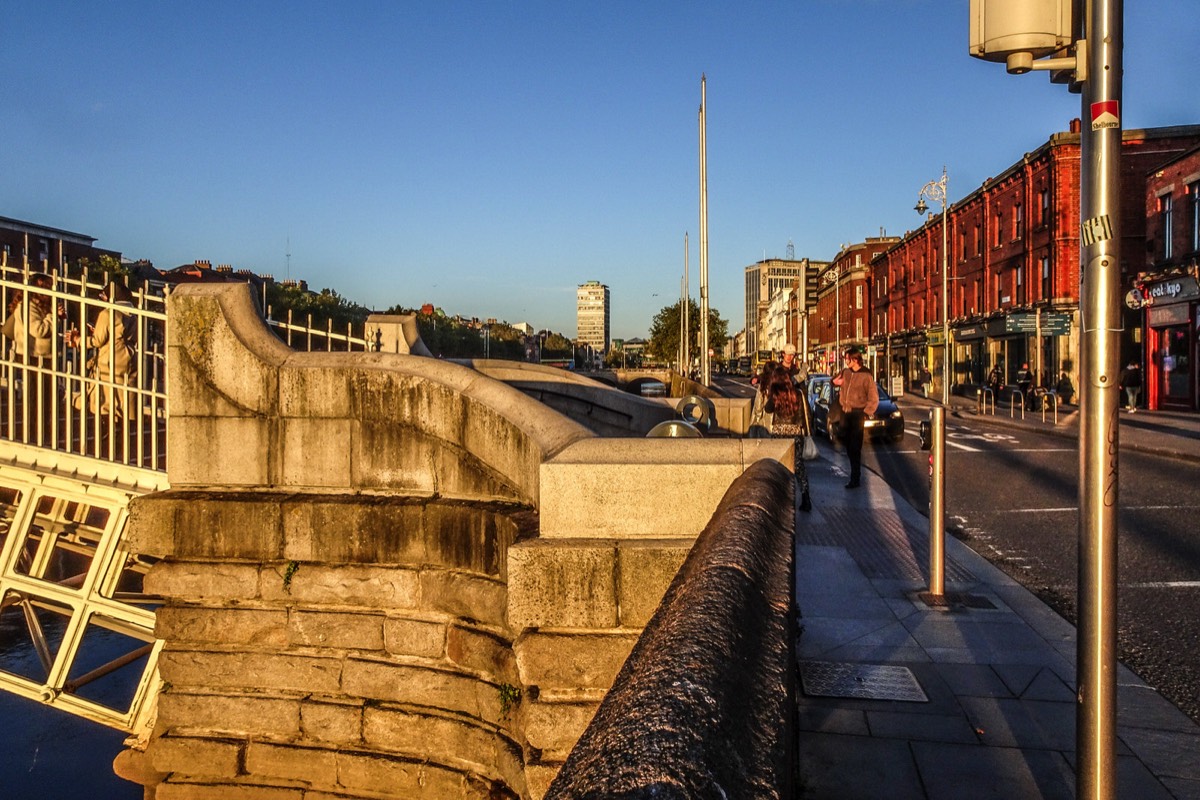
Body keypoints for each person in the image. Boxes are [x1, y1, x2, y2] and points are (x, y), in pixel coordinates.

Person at [69, 282, 137, 417]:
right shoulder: (133, 314)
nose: (102, 298)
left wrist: (79, 340)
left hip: (109, 358)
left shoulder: (108, 313)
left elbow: (97, 340)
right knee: (124, 396)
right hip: (128, 357)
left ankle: (108, 430)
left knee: (106, 399)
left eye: (103, 295)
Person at [764, 368, 812, 512]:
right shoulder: (798, 394)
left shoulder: (776, 395)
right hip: (796, 432)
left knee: (780, 466)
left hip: (779, 433)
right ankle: (805, 497)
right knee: (798, 466)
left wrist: (770, 395)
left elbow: (768, 409)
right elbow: (806, 413)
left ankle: (782, 498)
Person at [832, 348, 878, 489]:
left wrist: (866, 412)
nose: (846, 361)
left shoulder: (866, 375)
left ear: (855, 359)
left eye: (848, 359)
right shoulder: (846, 372)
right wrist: (835, 382)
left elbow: (873, 397)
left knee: (855, 447)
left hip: (858, 413)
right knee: (847, 445)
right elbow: (834, 381)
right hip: (845, 412)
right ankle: (854, 474)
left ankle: (855, 478)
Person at [748, 360, 781, 438]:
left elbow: (758, 406)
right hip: (777, 422)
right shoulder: (780, 384)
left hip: (764, 421)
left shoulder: (764, 385)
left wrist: (757, 419)